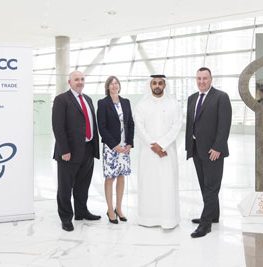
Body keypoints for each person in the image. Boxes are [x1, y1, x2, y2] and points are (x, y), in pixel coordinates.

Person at [185, 67, 232, 238]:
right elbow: (191, 125)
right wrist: (189, 147)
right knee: (205, 185)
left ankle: (205, 225)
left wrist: (218, 147)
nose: (202, 81)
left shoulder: (221, 97)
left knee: (212, 187)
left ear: (211, 79)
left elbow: (224, 124)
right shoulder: (192, 99)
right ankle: (213, 215)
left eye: (205, 78)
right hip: (197, 149)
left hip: (214, 151)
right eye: (199, 78)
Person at [52, 70, 101, 232]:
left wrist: (94, 147)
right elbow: (58, 127)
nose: (80, 82)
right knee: (65, 187)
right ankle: (66, 218)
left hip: (88, 149)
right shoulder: (61, 99)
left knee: (83, 184)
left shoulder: (87, 99)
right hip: (69, 152)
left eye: (82, 79)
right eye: (76, 79)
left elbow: (91, 122)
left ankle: (81, 211)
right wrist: (64, 150)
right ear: (69, 82)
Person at [135, 74, 182, 229]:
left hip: (167, 152)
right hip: (148, 153)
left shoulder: (173, 104)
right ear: (150, 85)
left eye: (160, 83)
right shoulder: (142, 105)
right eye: (154, 83)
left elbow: (177, 125)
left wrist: (162, 144)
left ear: (164, 85)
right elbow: (139, 127)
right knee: (149, 184)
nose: (157, 85)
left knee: (167, 184)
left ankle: (168, 219)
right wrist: (153, 145)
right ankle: (148, 219)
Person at [97, 76, 134, 224]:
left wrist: (129, 143)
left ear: (119, 86)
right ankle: (110, 209)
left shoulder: (126, 102)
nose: (114, 86)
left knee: (121, 177)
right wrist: (114, 146)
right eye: (111, 84)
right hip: (111, 148)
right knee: (110, 178)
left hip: (124, 147)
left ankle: (119, 208)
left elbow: (130, 123)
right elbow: (102, 127)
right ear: (107, 87)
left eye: (116, 83)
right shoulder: (103, 103)